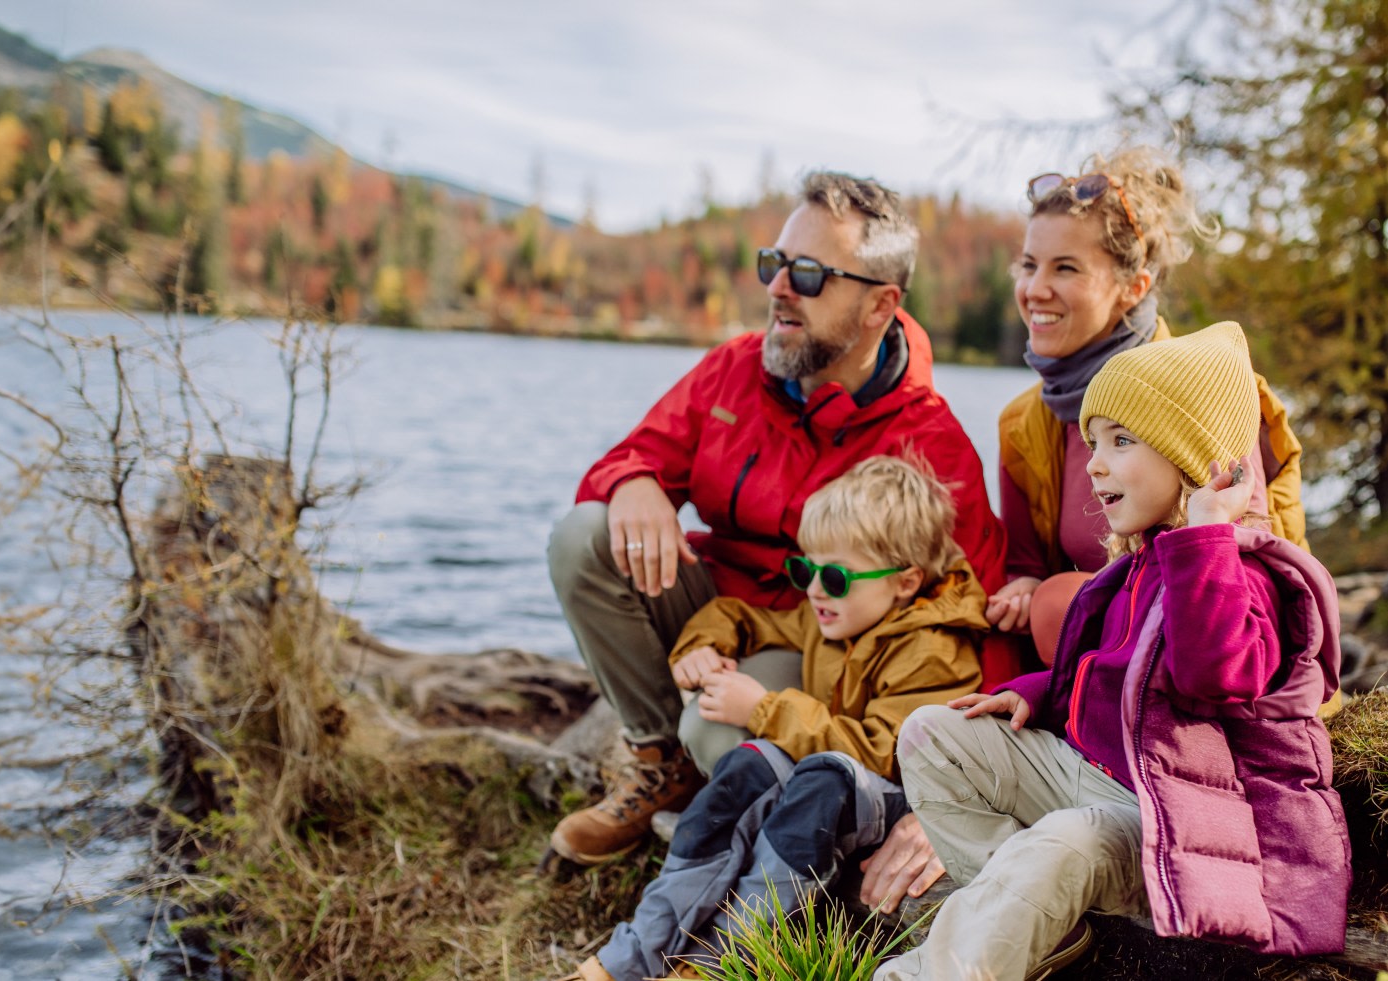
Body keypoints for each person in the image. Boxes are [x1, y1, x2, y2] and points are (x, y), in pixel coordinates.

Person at [545, 171, 1007, 899]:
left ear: (881, 304)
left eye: (810, 274)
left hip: (820, 647)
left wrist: (955, 795)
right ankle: (658, 762)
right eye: (775, 263)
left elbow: (981, 610)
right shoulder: (734, 368)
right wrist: (633, 480)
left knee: (716, 726)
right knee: (585, 535)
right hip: (718, 608)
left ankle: (771, 865)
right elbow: (632, 456)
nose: (780, 288)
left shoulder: (931, 442)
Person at [875, 321, 1349, 981]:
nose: (1094, 463)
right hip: (1097, 778)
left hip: (1173, 822)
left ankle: (939, 971)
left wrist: (1207, 534)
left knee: (1065, 841)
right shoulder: (1140, 562)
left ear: (1195, 462)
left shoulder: (1241, 573)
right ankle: (1042, 926)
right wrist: (1036, 692)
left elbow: (1212, 675)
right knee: (932, 735)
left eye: (1121, 441)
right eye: (1093, 441)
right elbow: (1109, 673)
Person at [572, 456, 987, 981]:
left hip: (897, 798)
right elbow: (744, 617)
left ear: (905, 582)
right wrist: (702, 645)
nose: (813, 590)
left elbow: (887, 753)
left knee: (823, 777)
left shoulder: (934, 649)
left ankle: (717, 963)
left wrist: (764, 709)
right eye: (805, 570)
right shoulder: (834, 618)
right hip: (838, 786)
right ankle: (630, 959)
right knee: (748, 765)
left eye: (833, 576)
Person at [987, 147, 1307, 666]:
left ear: (1133, 288)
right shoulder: (1023, 422)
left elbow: (1256, 579)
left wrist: (1075, 601)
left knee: (1061, 600)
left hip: (1210, 653)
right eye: (1028, 265)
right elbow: (1027, 565)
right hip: (1093, 663)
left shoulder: (1204, 391)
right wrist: (1022, 588)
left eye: (1065, 268)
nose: (1034, 289)